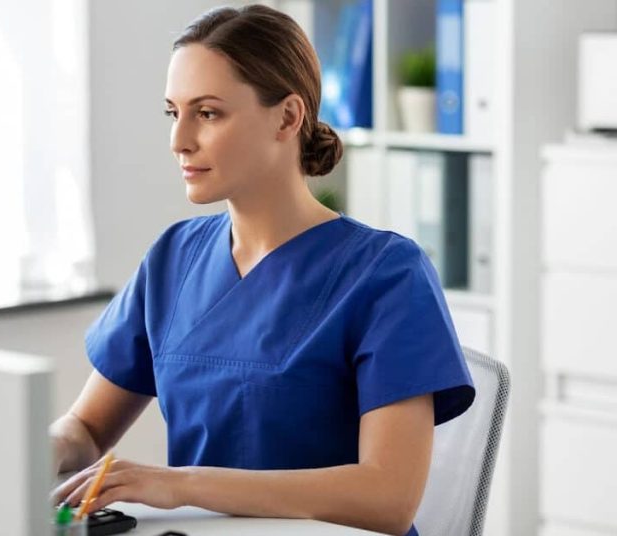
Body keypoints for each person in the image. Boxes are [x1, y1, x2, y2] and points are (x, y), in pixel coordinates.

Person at [50, 5, 474, 536]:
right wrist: (36, 452)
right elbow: (87, 428)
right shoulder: (173, 259)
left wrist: (180, 484)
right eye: (172, 112)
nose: (179, 140)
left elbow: (389, 498)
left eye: (207, 113)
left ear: (288, 117)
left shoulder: (386, 274)